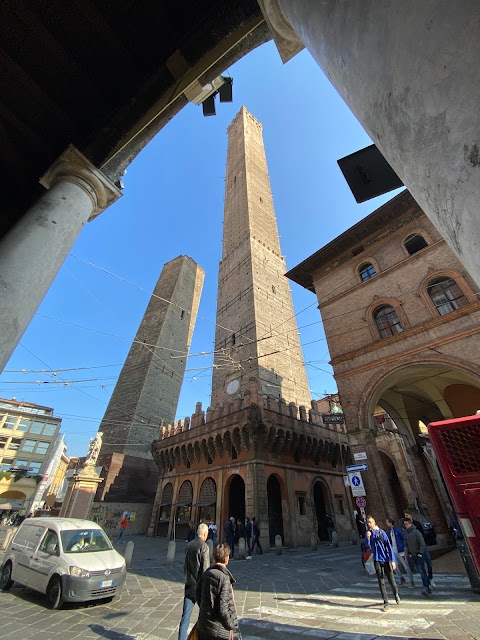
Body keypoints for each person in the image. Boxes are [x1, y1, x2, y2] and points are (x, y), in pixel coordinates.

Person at [196, 543, 241, 640]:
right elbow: (223, 608)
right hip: (219, 630)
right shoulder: (224, 578)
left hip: (204, 625)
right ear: (226, 558)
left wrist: (206, 611)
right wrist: (231, 625)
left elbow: (198, 595)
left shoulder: (206, 573)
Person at [178, 522, 210, 640]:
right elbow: (205, 570)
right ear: (205, 534)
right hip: (200, 589)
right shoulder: (204, 547)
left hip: (189, 586)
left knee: (185, 618)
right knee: (206, 617)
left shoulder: (189, 545)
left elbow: (185, 566)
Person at [365, 514, 400, 611]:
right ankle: (386, 602)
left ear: (374, 522)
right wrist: (368, 538)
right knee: (381, 581)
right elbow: (368, 546)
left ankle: (396, 594)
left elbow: (388, 546)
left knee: (391, 580)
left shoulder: (381, 532)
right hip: (376, 559)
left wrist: (393, 560)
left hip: (385, 558)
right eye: (368, 523)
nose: (369, 524)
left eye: (370, 522)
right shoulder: (369, 533)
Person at [404, 511, 435, 587]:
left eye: (407, 515)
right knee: (420, 569)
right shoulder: (406, 530)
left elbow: (422, 537)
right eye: (405, 515)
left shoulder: (416, 524)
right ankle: (427, 584)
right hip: (415, 551)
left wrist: (421, 549)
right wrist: (410, 552)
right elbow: (407, 542)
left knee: (429, 563)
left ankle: (430, 578)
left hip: (422, 548)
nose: (406, 516)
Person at [386, 518, 414, 588]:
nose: (386, 524)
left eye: (387, 522)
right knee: (394, 566)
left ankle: (411, 581)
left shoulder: (397, 530)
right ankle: (401, 578)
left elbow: (403, 538)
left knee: (406, 566)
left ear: (391, 523)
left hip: (400, 550)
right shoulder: (390, 531)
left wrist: (403, 546)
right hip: (394, 551)